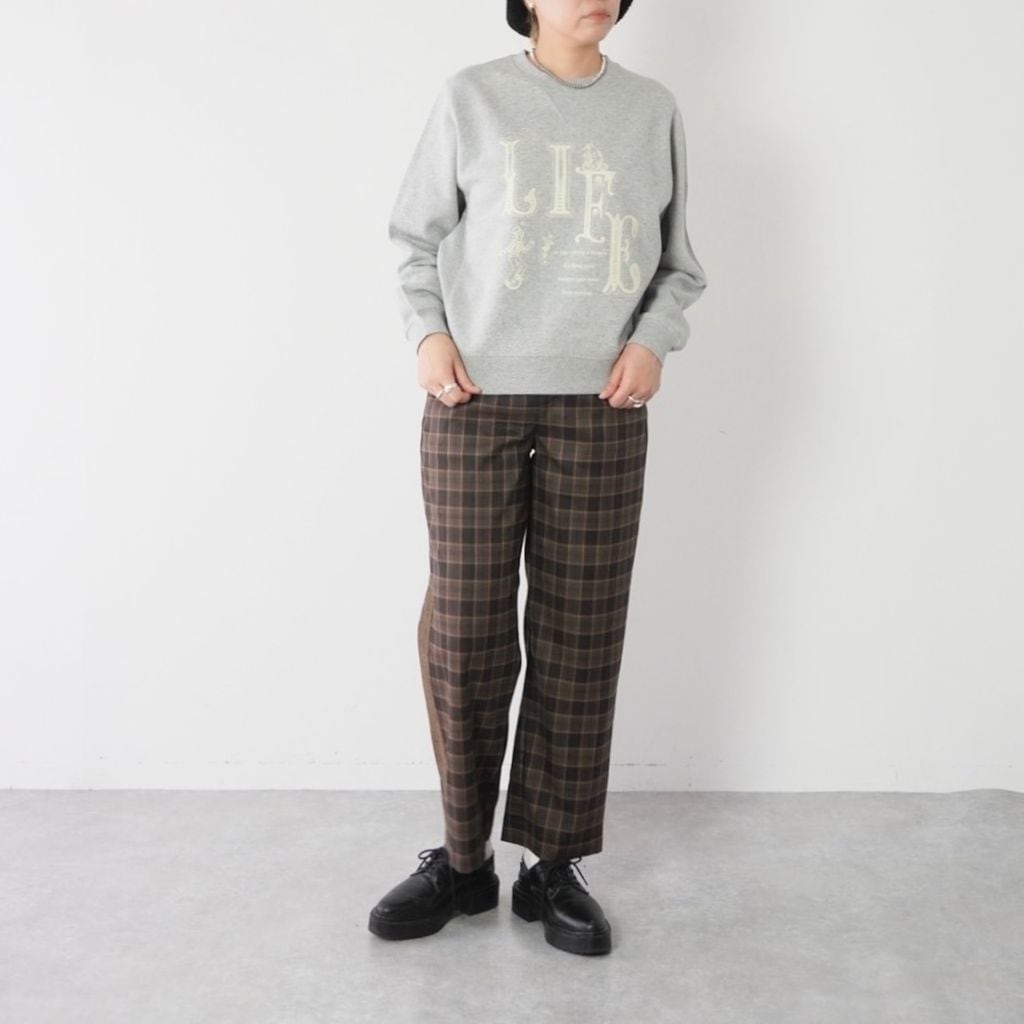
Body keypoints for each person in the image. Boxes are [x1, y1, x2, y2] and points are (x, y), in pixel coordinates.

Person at [369, 0, 707, 956]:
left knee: (579, 634)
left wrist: (651, 341)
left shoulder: (651, 109)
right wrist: (428, 334)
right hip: (472, 398)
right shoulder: (471, 98)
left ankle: (551, 865)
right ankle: (463, 858)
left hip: (602, 405)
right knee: (465, 630)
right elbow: (412, 237)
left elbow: (678, 265)